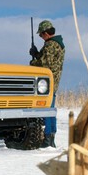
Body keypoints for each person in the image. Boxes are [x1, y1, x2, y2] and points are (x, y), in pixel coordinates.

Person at [29, 20, 65, 148]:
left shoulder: (50, 45)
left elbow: (46, 64)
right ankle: (51, 138)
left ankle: (48, 139)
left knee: (47, 110)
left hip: (47, 83)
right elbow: (48, 60)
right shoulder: (57, 44)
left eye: (41, 34)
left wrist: (33, 63)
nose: (40, 37)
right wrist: (37, 53)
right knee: (50, 110)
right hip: (53, 81)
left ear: (46, 33)